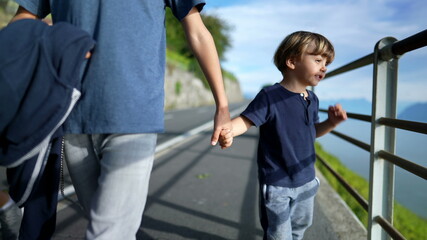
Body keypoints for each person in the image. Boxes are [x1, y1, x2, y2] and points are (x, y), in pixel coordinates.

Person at [11, 1, 231, 239]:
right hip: (72, 116)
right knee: (106, 222)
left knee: (106, 233)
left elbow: (198, 32)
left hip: (134, 115)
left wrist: (223, 105)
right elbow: (23, 21)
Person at [219, 31, 347, 240]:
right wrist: (229, 131)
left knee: (299, 228)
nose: (324, 67)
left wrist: (331, 123)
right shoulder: (270, 96)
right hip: (278, 183)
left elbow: (310, 132)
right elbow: (247, 120)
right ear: (292, 61)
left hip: (306, 179)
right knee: (278, 234)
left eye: (326, 62)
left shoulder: (311, 99)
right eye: (317, 60)